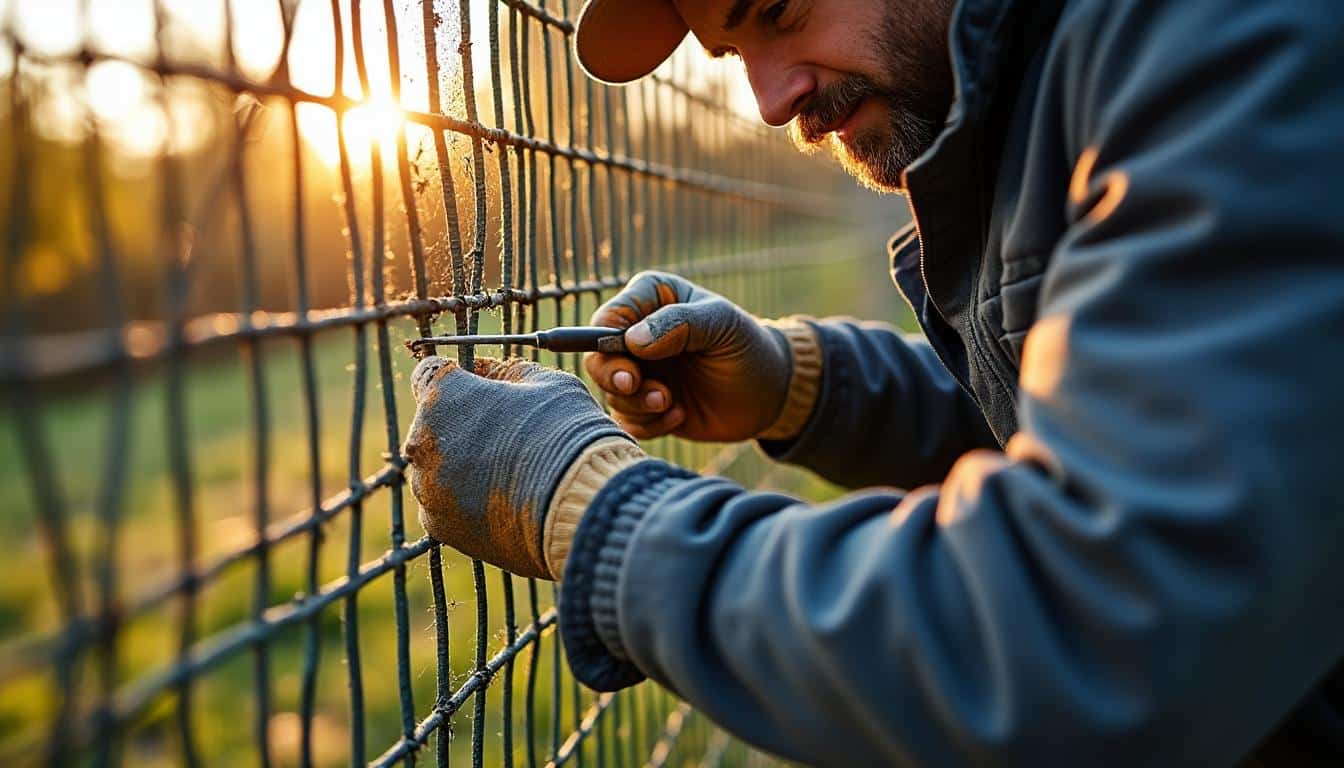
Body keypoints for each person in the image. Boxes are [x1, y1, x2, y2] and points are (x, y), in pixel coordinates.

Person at [400, 0, 1344, 764]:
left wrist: (589, 511)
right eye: (732, 54)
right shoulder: (1064, 72)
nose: (771, 103)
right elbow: (1113, 422)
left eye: (777, 11)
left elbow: (1096, 631)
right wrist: (800, 385)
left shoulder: (1220, 44)